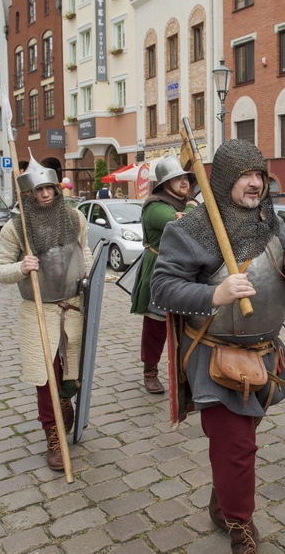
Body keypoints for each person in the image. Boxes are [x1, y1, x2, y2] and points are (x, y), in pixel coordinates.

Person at [150, 140, 285, 553]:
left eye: (260, 174)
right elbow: (162, 288)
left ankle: (222, 502)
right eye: (246, 174)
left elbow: (282, 267)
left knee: (235, 445)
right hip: (214, 354)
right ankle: (240, 525)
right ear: (224, 180)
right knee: (238, 445)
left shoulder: (268, 223)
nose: (256, 183)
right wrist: (214, 294)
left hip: (264, 351)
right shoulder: (190, 228)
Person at [0, 157, 93, 471]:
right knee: (45, 374)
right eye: (39, 189)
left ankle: (66, 400)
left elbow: (85, 251)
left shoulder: (74, 218)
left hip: (74, 304)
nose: (46, 194)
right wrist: (21, 267)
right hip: (40, 308)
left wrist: (89, 277)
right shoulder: (16, 227)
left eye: (49, 187)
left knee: (73, 371)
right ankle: (53, 432)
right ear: (28, 194)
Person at [129, 155, 197, 394]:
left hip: (185, 271)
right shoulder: (156, 206)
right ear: (164, 184)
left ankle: (188, 373)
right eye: (176, 178)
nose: (183, 182)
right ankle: (150, 372)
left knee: (188, 325)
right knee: (156, 326)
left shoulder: (186, 202)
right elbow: (183, 225)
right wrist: (192, 205)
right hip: (159, 270)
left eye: (184, 178)